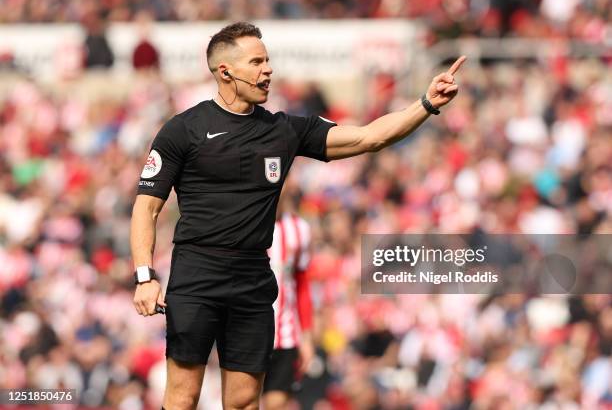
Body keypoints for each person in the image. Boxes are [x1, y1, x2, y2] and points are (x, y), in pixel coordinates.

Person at [130, 21, 465, 410]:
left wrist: (425, 104)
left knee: (242, 402)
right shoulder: (182, 130)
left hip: (253, 281)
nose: (268, 69)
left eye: (268, 60)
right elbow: (146, 206)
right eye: (256, 62)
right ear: (225, 72)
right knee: (183, 396)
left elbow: (370, 137)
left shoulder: (283, 130)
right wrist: (144, 275)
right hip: (196, 275)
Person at [263, 191, 315, 410]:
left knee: (276, 403)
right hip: (248, 330)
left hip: (285, 333)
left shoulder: (299, 230)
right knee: (243, 397)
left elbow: (302, 284)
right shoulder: (245, 223)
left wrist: (307, 337)